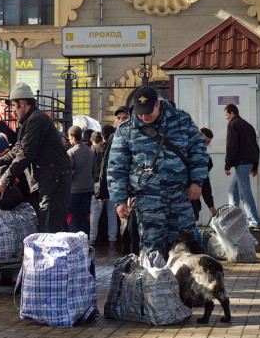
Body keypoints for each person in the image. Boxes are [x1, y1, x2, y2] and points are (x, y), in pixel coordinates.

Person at [107, 86, 209, 258]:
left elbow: (198, 152)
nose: (144, 116)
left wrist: (197, 182)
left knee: (184, 247)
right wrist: (119, 201)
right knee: (152, 250)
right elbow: (117, 168)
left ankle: (182, 284)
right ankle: (154, 285)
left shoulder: (181, 121)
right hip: (148, 200)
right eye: (140, 113)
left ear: (158, 105)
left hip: (180, 197)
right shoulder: (126, 130)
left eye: (148, 112)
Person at [0, 82, 72, 233]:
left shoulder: (36, 120)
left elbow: (25, 154)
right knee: (54, 227)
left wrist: (3, 180)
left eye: (14, 106)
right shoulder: (30, 120)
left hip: (54, 180)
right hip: (50, 180)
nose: (12, 111)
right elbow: (16, 151)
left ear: (22, 103)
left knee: (50, 229)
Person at [223, 103, 260, 230]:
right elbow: (256, 147)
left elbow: (231, 146)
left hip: (241, 163)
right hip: (248, 162)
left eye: (226, 114)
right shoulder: (248, 126)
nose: (226, 117)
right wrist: (255, 166)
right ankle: (234, 220)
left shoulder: (233, 125)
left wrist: (227, 165)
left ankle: (255, 221)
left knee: (245, 192)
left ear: (232, 113)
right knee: (232, 190)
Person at [90, 124, 118, 245]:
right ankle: (112, 238)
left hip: (97, 184)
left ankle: (92, 237)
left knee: (95, 214)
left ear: (102, 135)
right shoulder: (115, 148)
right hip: (112, 185)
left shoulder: (94, 149)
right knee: (112, 214)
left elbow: (91, 168)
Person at [66, 125, 95, 235]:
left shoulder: (71, 152)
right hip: (88, 188)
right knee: (85, 215)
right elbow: (93, 171)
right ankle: (85, 238)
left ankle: (75, 236)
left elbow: (68, 172)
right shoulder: (90, 151)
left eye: (69, 137)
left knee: (71, 214)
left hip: (74, 190)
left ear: (73, 137)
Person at [192, 127, 217, 222]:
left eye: (208, 142)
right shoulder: (183, 152)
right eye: (204, 141)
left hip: (191, 201)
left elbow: (205, 183)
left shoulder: (205, 159)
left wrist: (211, 207)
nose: (205, 144)